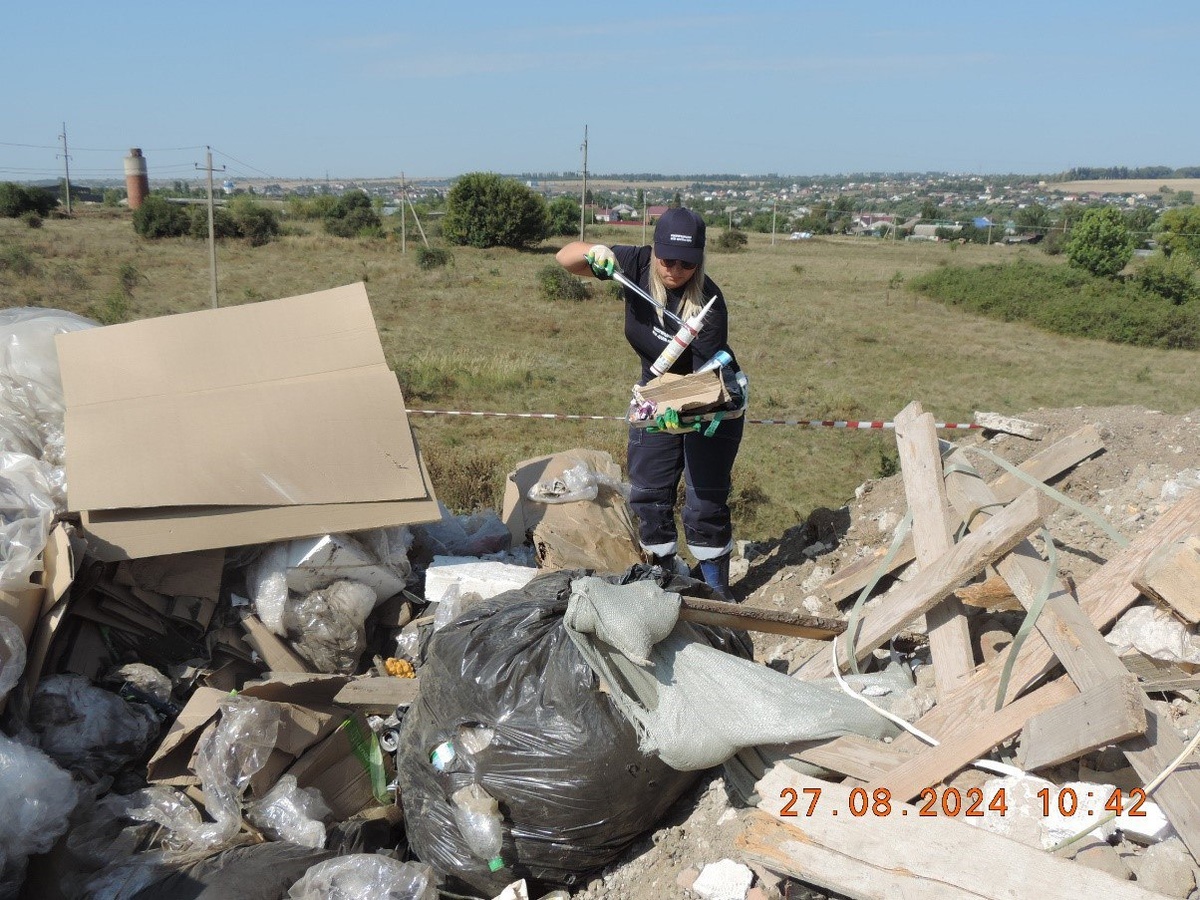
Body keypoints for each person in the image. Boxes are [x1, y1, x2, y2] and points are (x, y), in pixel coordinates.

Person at [556, 207, 745, 601]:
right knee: (649, 495)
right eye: (668, 260)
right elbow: (565, 257)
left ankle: (715, 591)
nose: (675, 270)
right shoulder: (636, 264)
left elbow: (700, 385)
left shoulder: (710, 306)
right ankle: (662, 584)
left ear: (699, 260)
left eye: (686, 263)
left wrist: (672, 407)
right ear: (654, 249)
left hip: (707, 401)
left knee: (703, 504)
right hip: (653, 397)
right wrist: (595, 251)